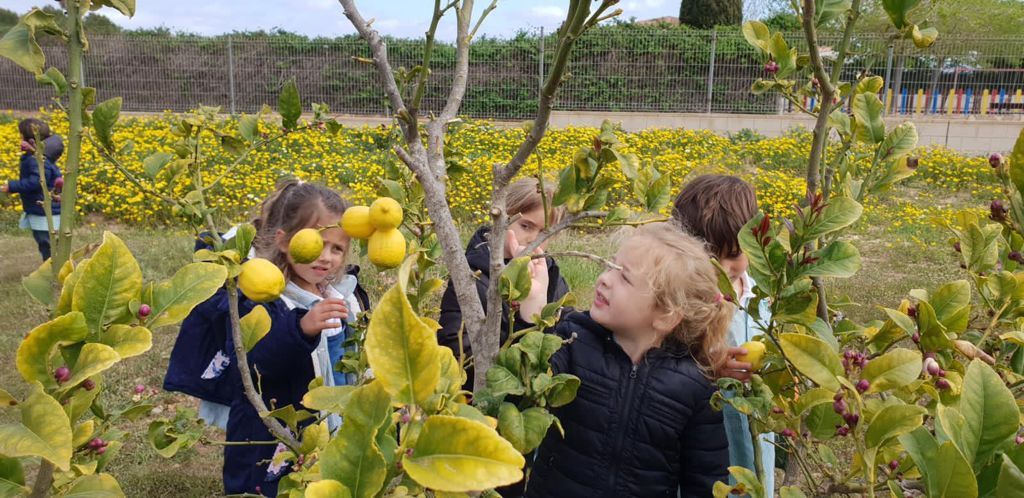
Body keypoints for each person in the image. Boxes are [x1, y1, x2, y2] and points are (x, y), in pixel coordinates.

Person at [163, 180, 369, 496]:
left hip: (328, 423)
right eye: (315, 244)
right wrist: (300, 330)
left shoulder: (341, 293)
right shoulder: (260, 295)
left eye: (336, 248)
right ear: (284, 242)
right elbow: (254, 362)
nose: (325, 257)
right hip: (269, 432)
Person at [524, 223, 731, 498]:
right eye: (611, 267)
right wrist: (532, 315)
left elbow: (705, 480)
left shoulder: (694, 385)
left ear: (666, 315)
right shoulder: (573, 340)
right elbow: (525, 384)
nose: (605, 279)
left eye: (625, 278)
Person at [672, 174, 776, 496]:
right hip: (706, 439)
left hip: (757, 431)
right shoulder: (681, 302)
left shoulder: (763, 296)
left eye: (732, 256)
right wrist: (707, 368)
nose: (721, 269)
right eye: (709, 258)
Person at [437, 177, 569, 387]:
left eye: (544, 233)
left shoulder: (551, 277)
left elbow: (562, 341)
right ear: (502, 220)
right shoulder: (474, 275)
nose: (533, 239)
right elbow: (458, 349)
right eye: (526, 226)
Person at [2, 118, 62, 261]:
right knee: (49, 242)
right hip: (43, 207)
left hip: (43, 209)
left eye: (20, 135)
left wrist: (12, 186)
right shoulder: (39, 157)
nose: (19, 139)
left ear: (30, 141)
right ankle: (55, 265)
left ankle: (53, 267)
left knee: (46, 242)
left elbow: (36, 182)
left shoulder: (36, 159)